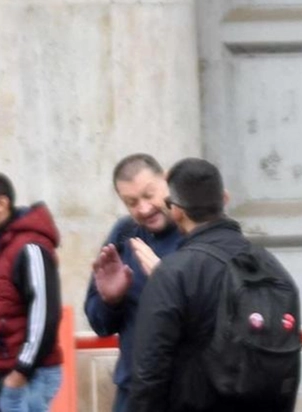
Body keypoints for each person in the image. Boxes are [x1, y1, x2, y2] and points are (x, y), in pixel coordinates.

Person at [129, 158, 300, 412]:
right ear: (225, 199)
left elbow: (148, 372)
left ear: (176, 210)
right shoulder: (270, 265)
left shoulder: (174, 272)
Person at [84, 154, 185, 412]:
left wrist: (166, 280)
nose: (143, 209)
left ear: (166, 181)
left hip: (186, 390)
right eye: (131, 202)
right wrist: (111, 300)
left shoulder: (194, 232)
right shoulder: (124, 234)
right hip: (133, 391)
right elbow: (100, 324)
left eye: (149, 195)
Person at [0, 172, 63, 412]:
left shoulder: (31, 248)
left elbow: (45, 315)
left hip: (25, 377)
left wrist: (20, 373)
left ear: (1, 203)